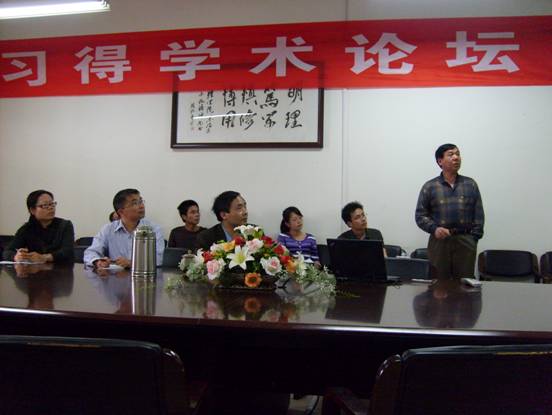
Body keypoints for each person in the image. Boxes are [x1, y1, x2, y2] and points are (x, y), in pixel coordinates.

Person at [415, 143, 484, 279]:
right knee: (438, 283)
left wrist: (473, 238)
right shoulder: (430, 186)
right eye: (451, 154)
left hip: (465, 241)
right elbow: (420, 215)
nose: (456, 157)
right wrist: (434, 229)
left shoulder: (470, 184)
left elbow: (479, 214)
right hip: (439, 242)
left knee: (465, 283)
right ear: (440, 161)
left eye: (458, 154)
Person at [84, 188, 164, 269]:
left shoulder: (153, 229)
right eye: (135, 203)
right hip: (116, 276)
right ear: (121, 212)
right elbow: (90, 252)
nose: (141, 206)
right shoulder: (108, 229)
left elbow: (158, 259)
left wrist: (132, 263)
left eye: (141, 201)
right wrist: (97, 262)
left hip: (144, 275)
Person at [3, 190, 75, 263]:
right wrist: (16, 256)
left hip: (62, 268)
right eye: (45, 205)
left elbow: (67, 252)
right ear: (32, 210)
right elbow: (7, 252)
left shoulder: (65, 225)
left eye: (52, 204)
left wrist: (45, 257)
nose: (50, 208)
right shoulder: (26, 229)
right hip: (34, 269)